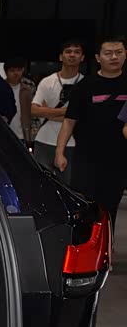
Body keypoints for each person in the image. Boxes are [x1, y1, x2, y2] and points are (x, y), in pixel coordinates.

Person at [55, 36, 127, 229]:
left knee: (110, 207)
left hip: (119, 159)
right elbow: (69, 121)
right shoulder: (85, 86)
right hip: (87, 158)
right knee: (86, 206)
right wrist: (60, 152)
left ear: (125, 54)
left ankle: (106, 244)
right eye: (108, 53)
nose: (114, 57)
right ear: (97, 57)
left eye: (118, 52)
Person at [30, 40, 85, 185]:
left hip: (72, 143)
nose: (72, 55)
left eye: (77, 52)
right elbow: (34, 110)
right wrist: (67, 113)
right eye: (68, 51)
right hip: (44, 139)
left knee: (68, 186)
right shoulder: (47, 81)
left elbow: (85, 116)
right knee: (41, 183)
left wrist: (47, 112)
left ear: (82, 57)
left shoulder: (86, 84)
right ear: (61, 57)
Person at [2, 57, 34, 142]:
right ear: (6, 72)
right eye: (12, 70)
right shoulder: (1, 88)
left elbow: (33, 111)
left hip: (23, 135)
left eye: (19, 70)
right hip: (4, 133)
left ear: (22, 70)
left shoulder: (27, 89)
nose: (16, 73)